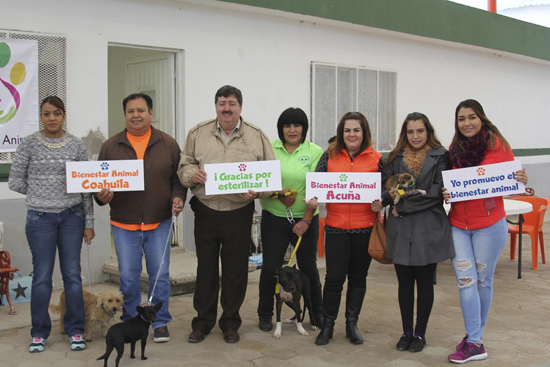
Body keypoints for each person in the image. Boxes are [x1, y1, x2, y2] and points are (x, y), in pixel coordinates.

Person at [178, 85, 275, 344]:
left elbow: (270, 177)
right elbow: (184, 164)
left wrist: (258, 192)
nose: (227, 108)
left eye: (232, 103)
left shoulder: (256, 136)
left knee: (235, 270)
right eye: (222, 103)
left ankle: (231, 322)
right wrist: (191, 175)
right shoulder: (198, 133)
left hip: (238, 212)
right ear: (216, 107)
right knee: (206, 269)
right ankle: (203, 322)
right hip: (206, 210)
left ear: (240, 107)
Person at [95, 93, 186, 343]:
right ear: (124, 115)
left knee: (159, 275)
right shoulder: (111, 146)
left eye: (141, 110)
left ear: (151, 113)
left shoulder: (167, 143)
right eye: (130, 111)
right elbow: (98, 183)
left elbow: (178, 180)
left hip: (159, 221)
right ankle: (131, 321)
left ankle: (160, 321)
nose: (135, 115)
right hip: (124, 223)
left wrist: (178, 198)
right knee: (128, 277)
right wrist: (100, 196)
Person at [443, 100, 528, 364]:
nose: (466, 123)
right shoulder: (453, 149)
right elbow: (450, 183)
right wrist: (446, 192)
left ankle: (474, 339)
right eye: (461, 119)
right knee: (465, 280)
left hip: (489, 226)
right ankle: (475, 340)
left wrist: (521, 180)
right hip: (458, 225)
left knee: (483, 280)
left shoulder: (497, 146)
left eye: (471, 117)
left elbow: (510, 179)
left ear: (481, 118)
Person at [9, 96, 95, 353]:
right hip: (40, 220)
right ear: (41, 117)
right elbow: (14, 181)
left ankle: (75, 330)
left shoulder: (77, 145)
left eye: (57, 113)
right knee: (42, 278)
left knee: (72, 276)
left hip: (72, 218)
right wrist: (39, 193)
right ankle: (39, 333)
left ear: (64, 115)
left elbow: (86, 189)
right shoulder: (29, 144)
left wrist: (89, 222)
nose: (52, 118)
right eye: (47, 114)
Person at [372, 112, 454, 353]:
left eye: (420, 131)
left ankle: (420, 333)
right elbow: (385, 189)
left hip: (428, 226)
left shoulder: (441, 156)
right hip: (401, 229)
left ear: (428, 131)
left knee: (425, 283)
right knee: (404, 283)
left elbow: (437, 191)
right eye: (410, 132)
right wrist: (391, 199)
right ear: (404, 134)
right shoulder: (395, 157)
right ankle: (406, 331)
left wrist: (402, 204)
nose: (415, 136)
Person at [310, 111, 383, 346]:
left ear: (364, 133)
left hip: (365, 228)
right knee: (333, 279)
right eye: (347, 130)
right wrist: (312, 199)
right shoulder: (328, 156)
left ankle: (352, 324)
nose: (352, 134)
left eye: (356, 130)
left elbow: (385, 189)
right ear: (342, 133)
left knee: (358, 279)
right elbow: (316, 186)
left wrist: (382, 201)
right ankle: (328, 325)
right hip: (336, 228)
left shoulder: (377, 159)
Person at [257, 107, 324, 332]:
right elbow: (262, 180)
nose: (292, 130)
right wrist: (278, 194)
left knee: (308, 269)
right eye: (287, 125)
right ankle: (265, 314)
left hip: (305, 220)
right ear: (281, 128)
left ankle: (315, 314)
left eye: (297, 125)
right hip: (274, 218)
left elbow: (317, 188)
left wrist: (305, 220)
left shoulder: (315, 151)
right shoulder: (269, 148)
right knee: (270, 268)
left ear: (304, 128)